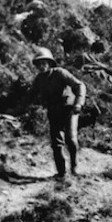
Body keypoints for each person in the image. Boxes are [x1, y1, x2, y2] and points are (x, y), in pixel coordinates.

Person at [27, 47, 87, 179]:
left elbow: (79, 85)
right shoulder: (39, 80)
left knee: (70, 139)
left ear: (49, 63)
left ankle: (74, 167)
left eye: (44, 63)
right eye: (39, 64)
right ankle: (61, 173)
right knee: (56, 143)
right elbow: (30, 96)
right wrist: (18, 110)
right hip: (53, 111)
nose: (41, 67)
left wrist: (78, 103)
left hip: (69, 109)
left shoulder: (60, 73)